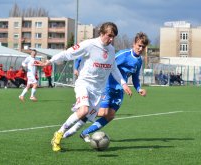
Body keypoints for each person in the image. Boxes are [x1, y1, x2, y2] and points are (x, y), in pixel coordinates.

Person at [38, 22, 132, 152]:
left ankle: (64, 135)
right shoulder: (89, 44)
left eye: (113, 37)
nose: (111, 39)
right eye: (109, 36)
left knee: (83, 120)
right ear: (101, 33)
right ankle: (58, 134)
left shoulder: (110, 50)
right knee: (83, 110)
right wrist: (49, 61)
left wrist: (123, 83)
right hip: (84, 84)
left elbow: (114, 68)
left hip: (98, 90)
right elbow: (67, 53)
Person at [75, 32, 149, 142]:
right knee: (103, 112)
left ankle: (85, 133)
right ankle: (81, 113)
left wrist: (139, 89)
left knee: (110, 115)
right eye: (139, 45)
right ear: (134, 44)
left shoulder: (139, 61)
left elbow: (135, 77)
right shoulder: (123, 55)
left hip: (119, 91)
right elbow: (105, 61)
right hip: (108, 86)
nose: (140, 48)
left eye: (143, 47)